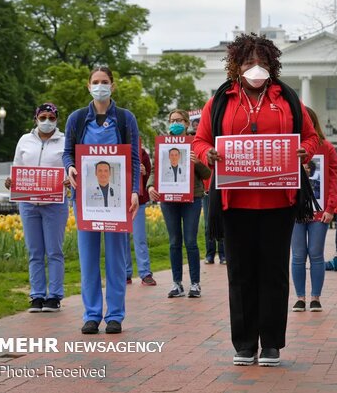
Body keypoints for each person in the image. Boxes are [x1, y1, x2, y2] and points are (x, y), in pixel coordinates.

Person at [192, 33, 319, 367]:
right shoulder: (221, 100)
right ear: (237, 65)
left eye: (262, 62)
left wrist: (306, 151)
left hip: (278, 200)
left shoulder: (287, 98)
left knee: (274, 273)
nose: (256, 68)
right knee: (241, 273)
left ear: (272, 65)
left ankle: (272, 342)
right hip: (235, 202)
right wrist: (210, 154)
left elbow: (311, 136)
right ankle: (245, 343)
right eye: (249, 62)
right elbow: (199, 141)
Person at [63, 66, 140, 335]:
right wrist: (70, 167)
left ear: (113, 86)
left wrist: (134, 190)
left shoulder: (125, 118)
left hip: (118, 200)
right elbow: (67, 153)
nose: (100, 86)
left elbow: (134, 158)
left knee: (117, 258)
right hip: (85, 198)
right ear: (88, 86)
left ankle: (115, 315)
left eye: (104, 81)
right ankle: (92, 315)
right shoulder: (76, 118)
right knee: (88, 257)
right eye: (95, 82)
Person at [5, 103, 68, 313]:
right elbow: (17, 167)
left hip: (55, 204)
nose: (47, 120)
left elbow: (72, 168)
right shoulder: (24, 140)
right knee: (34, 251)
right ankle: (37, 295)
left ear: (57, 119)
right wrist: (11, 181)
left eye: (51, 117)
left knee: (54, 251)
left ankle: (55, 296)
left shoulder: (65, 141)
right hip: (28, 203)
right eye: (43, 116)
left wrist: (68, 179)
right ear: (36, 119)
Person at [148, 109, 210, 299]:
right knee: (174, 241)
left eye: (179, 120)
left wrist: (198, 162)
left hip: (191, 198)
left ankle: (195, 284)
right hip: (168, 199)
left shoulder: (196, 144)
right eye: (172, 120)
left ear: (186, 123)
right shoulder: (163, 145)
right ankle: (177, 284)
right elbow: (154, 169)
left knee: (190, 241)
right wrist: (150, 186)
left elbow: (207, 174)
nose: (175, 123)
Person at [291, 107, 337, 313]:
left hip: (320, 212)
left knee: (316, 254)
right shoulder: (290, 146)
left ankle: (315, 298)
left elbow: (334, 179)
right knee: (298, 255)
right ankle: (300, 298)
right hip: (294, 211)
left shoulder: (326, 147)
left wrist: (331, 207)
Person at [124, 147, 156, 286]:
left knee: (139, 237)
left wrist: (144, 173)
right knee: (122, 239)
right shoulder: (115, 148)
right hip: (120, 201)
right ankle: (125, 273)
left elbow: (151, 175)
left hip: (139, 200)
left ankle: (145, 273)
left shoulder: (142, 152)